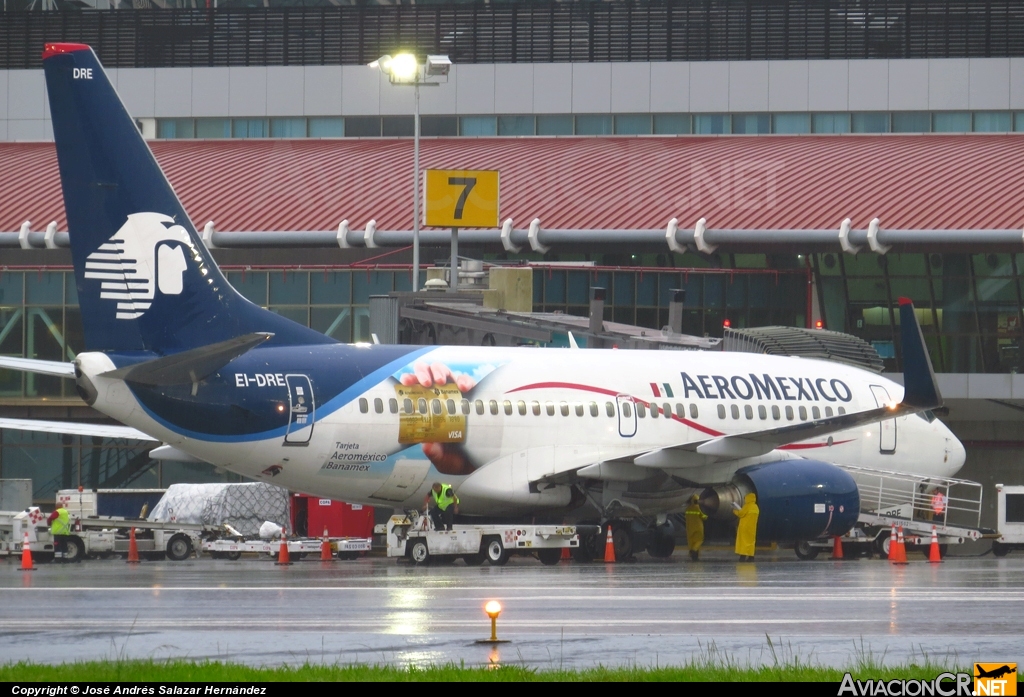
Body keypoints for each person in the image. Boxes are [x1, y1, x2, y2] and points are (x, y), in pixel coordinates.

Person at [732, 492, 759, 562]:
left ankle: (742, 556)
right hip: (752, 528)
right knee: (751, 542)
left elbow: (741, 514)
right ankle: (751, 556)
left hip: (744, 527)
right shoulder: (756, 507)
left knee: (743, 541)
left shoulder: (747, 506)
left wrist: (735, 511)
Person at [684, 494, 707, 561]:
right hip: (698, 527)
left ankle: (693, 555)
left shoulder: (687, 508)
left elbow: (686, 516)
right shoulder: (698, 508)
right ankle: (694, 551)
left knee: (691, 541)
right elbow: (704, 517)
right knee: (699, 540)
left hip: (689, 527)